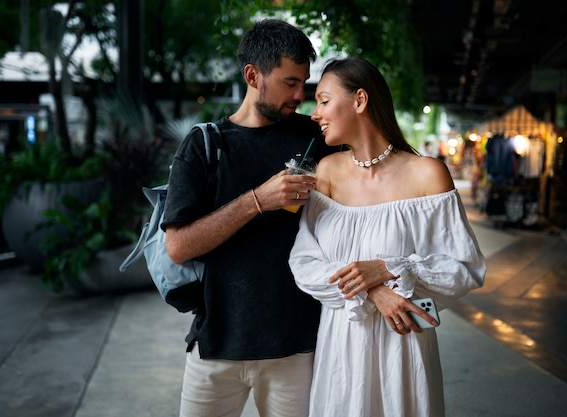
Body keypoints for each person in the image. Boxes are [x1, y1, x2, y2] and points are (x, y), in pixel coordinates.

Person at [288, 57, 487, 417]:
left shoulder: (428, 174)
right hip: (343, 343)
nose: (314, 113)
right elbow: (304, 263)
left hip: (404, 347)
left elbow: (464, 268)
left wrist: (389, 268)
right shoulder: (326, 172)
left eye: (323, 100)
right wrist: (372, 289)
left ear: (360, 100)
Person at [162, 19, 332, 417]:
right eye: (290, 82)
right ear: (253, 75)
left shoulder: (315, 136)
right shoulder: (206, 145)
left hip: (298, 347)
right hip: (217, 345)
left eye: (304, 83)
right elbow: (178, 246)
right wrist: (257, 200)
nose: (299, 95)